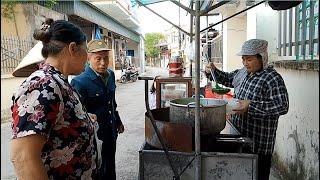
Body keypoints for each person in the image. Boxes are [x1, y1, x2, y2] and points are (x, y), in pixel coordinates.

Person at [10, 18, 99, 179]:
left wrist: (82, 120)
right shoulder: (43, 84)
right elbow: (23, 158)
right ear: (73, 48)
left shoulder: (59, 82)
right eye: (86, 50)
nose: (88, 57)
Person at [205, 39, 289, 180]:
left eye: (249, 59)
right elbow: (227, 78)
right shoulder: (244, 73)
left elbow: (282, 105)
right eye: (243, 59)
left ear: (262, 57)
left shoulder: (272, 78)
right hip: (240, 137)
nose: (245, 63)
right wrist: (212, 70)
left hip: (259, 145)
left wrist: (250, 105)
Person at [70, 39, 124, 180]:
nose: (103, 63)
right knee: (98, 169)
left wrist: (118, 121)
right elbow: (78, 113)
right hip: (94, 135)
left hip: (111, 131)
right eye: (98, 58)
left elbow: (112, 102)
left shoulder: (110, 75)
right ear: (88, 58)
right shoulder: (79, 81)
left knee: (110, 165)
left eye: (106, 58)